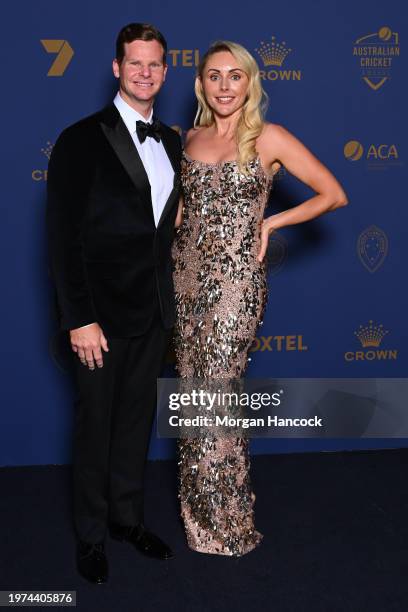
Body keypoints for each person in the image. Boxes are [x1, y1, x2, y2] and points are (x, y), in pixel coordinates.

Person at [172, 40, 348, 556]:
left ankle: (228, 523)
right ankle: (199, 520)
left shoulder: (268, 137)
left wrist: (273, 220)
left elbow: (333, 193)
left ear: (250, 83)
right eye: (213, 76)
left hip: (235, 286)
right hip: (184, 280)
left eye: (235, 75)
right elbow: (180, 217)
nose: (224, 86)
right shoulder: (189, 138)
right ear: (200, 83)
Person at [47, 23, 182, 583]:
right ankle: (92, 536)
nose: (145, 73)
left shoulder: (172, 141)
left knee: (135, 424)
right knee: (95, 427)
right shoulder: (81, 138)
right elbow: (62, 238)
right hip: (98, 319)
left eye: (154, 65)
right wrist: (80, 318)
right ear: (116, 68)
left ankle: (129, 521)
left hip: (152, 314)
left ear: (165, 71)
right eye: (135, 64)